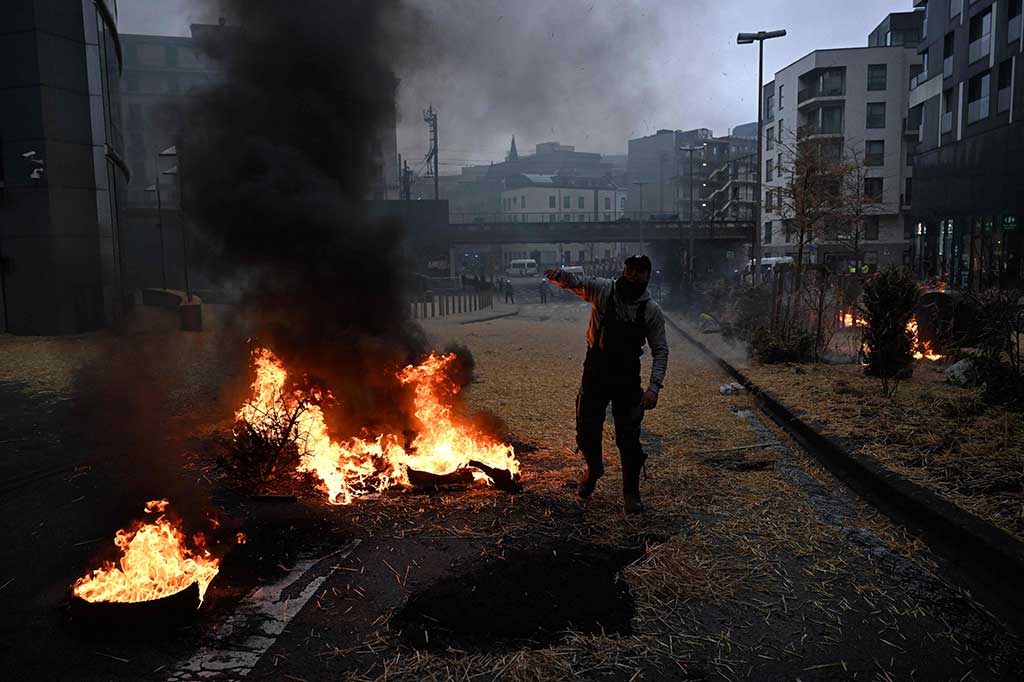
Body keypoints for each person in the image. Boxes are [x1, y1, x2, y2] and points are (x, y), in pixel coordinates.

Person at [545, 254, 669, 514]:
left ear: (647, 275)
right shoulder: (603, 289)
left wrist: (654, 387)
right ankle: (594, 469)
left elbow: (661, 350)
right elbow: (577, 282)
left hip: (626, 375)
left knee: (629, 437)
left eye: (639, 271)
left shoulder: (650, 310)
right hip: (596, 370)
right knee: (586, 428)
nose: (632, 274)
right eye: (629, 269)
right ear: (624, 270)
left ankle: (631, 493)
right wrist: (559, 275)